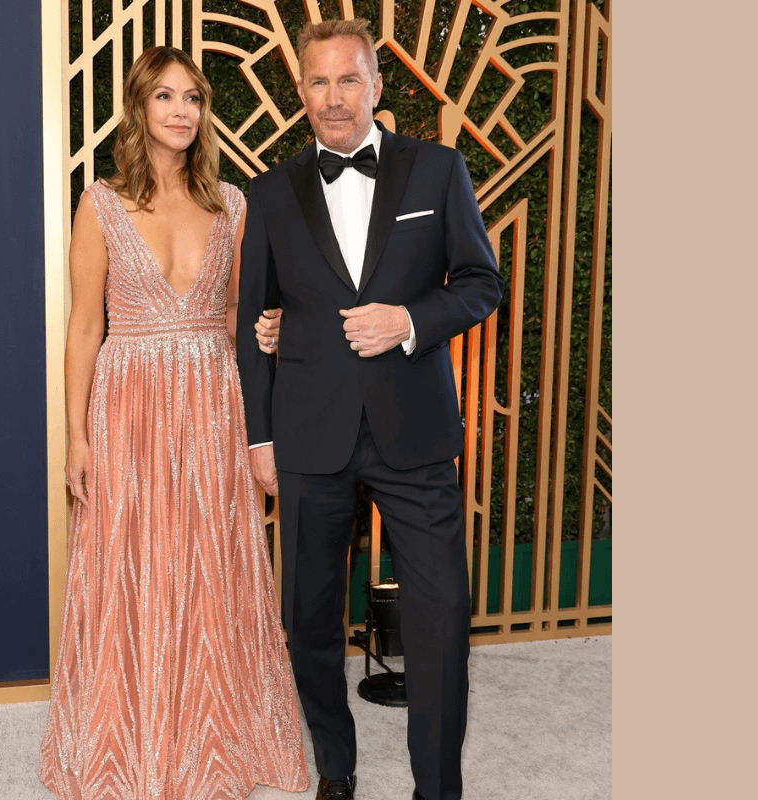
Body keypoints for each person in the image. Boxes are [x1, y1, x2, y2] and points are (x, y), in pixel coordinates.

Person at [235, 18, 505, 800]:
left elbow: (480, 283)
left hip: (412, 428)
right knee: (312, 622)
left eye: (348, 79)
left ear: (377, 85)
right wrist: (261, 437)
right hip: (309, 431)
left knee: (442, 613)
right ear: (300, 93)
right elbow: (258, 325)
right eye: (318, 82)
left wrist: (411, 322)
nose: (334, 98)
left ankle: (437, 788)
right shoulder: (271, 193)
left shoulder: (438, 170)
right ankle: (336, 768)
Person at [39, 46, 309, 800]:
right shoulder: (100, 203)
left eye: (193, 97)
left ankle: (213, 735)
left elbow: (234, 317)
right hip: (126, 407)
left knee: (211, 561)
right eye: (165, 97)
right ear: (140, 108)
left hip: (211, 402)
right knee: (129, 566)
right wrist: (77, 437)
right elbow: (83, 328)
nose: (182, 111)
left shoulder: (233, 204)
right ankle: (133, 739)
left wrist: (268, 331)